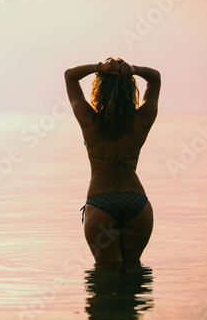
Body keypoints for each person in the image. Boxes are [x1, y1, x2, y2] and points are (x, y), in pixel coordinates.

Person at [64, 57, 161, 263]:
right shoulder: (141, 119)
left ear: (99, 90)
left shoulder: (89, 120)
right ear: (129, 90)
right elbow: (155, 79)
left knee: (105, 280)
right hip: (136, 202)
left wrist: (98, 67)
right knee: (134, 274)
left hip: (101, 203)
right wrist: (133, 69)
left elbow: (70, 76)